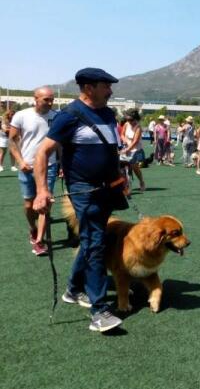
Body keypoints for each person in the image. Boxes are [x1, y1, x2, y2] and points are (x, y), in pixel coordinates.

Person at [32, 67, 124, 332]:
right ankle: (99, 312)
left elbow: (110, 151)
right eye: (105, 85)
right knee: (95, 243)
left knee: (92, 239)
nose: (110, 90)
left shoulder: (108, 114)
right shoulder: (69, 115)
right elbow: (43, 153)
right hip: (83, 190)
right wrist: (42, 190)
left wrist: (120, 178)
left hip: (109, 189)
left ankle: (73, 289)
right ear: (88, 88)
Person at [8, 87, 58, 256]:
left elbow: (60, 144)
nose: (50, 103)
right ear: (35, 99)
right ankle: (32, 229)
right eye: (46, 100)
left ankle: (39, 241)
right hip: (27, 166)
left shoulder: (56, 117)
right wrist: (20, 161)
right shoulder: (21, 116)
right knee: (29, 205)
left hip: (49, 166)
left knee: (45, 203)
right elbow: (12, 141)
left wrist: (62, 164)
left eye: (52, 99)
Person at [120, 108, 146, 192]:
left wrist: (128, 149)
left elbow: (135, 141)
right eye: (127, 119)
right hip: (126, 148)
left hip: (135, 150)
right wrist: (125, 140)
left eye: (131, 120)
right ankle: (127, 185)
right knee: (124, 168)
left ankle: (141, 181)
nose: (129, 121)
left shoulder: (138, 127)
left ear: (135, 119)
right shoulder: (126, 124)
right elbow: (122, 134)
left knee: (135, 168)